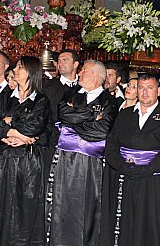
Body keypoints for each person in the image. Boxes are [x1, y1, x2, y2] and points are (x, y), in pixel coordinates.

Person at [0, 56, 49, 246]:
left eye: (20, 67)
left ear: (30, 72)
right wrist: (13, 132)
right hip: (3, 157)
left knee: (23, 207)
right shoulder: (5, 97)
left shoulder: (41, 100)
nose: (15, 71)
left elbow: (34, 127)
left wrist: (9, 121)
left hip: (27, 162)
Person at [101, 73, 160, 246]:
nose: (145, 92)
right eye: (141, 88)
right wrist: (122, 166)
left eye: (150, 88)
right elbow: (111, 143)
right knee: (125, 225)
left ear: (159, 91)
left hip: (154, 181)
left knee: (151, 227)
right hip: (125, 178)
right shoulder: (125, 114)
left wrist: (148, 169)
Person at [47, 60, 118, 246]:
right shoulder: (71, 93)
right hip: (65, 160)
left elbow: (102, 131)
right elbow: (63, 114)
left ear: (95, 75)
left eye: (83, 71)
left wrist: (75, 121)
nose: (79, 74)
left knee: (88, 208)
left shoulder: (109, 101)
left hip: (91, 166)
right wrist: (92, 115)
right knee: (62, 205)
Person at [43, 50, 80, 157]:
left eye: (65, 60)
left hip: (79, 142)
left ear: (76, 64)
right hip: (54, 139)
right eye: (59, 61)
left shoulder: (83, 86)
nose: (60, 64)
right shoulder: (49, 86)